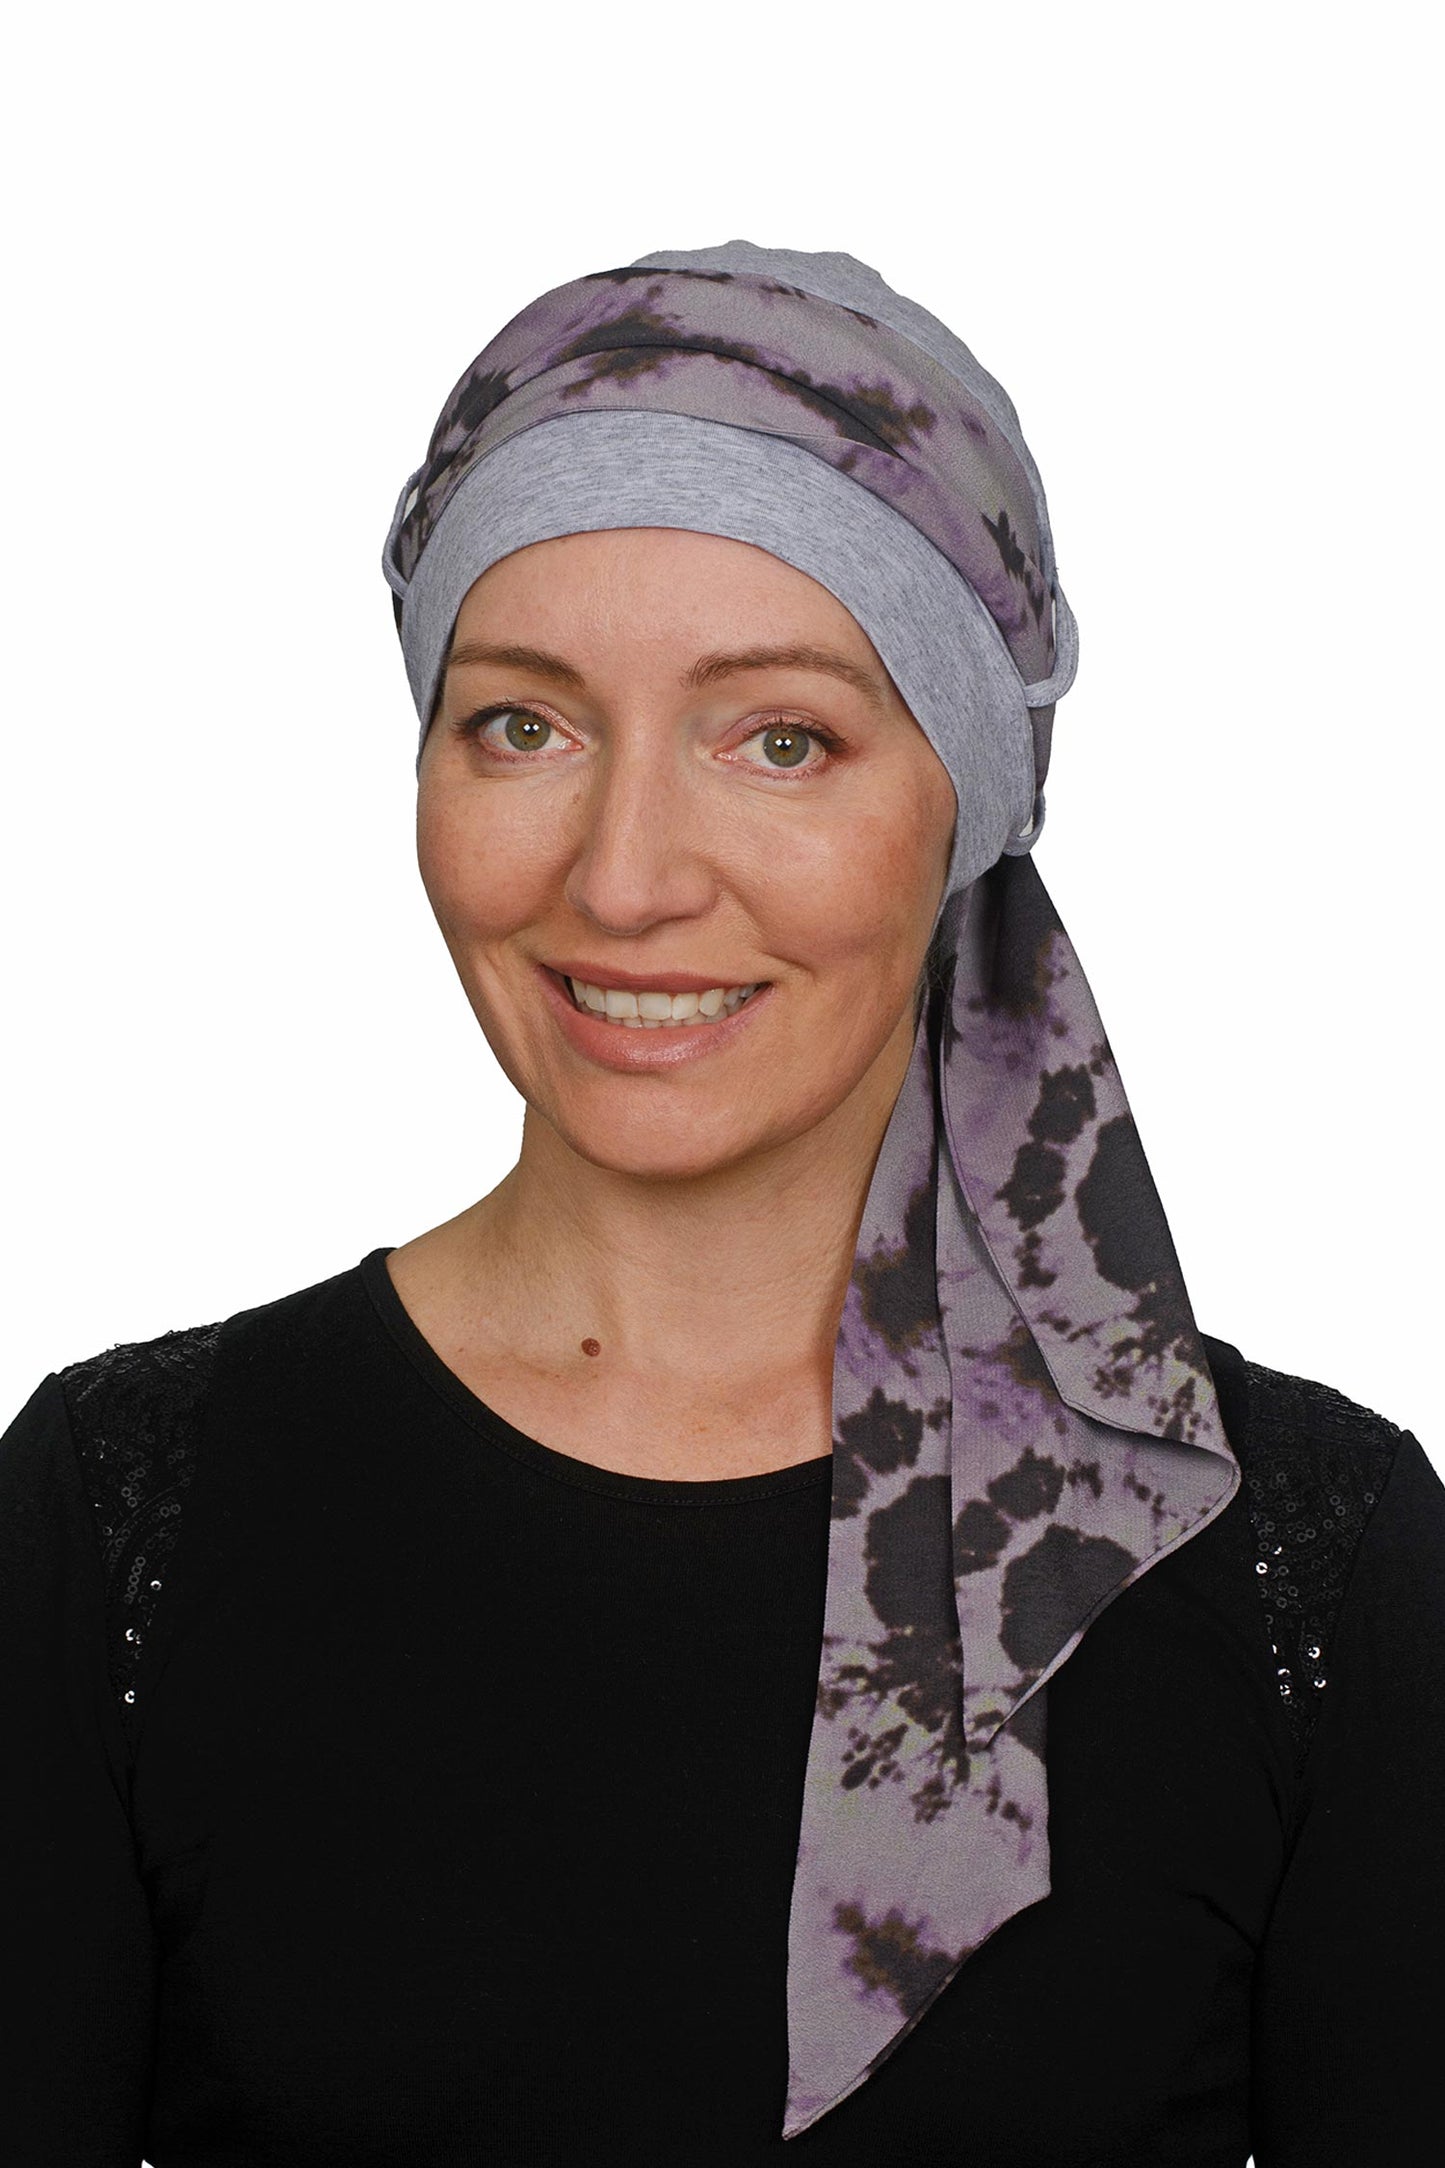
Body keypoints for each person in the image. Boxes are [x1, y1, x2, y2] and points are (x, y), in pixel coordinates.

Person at [2, 240, 1441, 2167]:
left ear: (968, 802)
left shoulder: (1302, 1568)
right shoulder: (121, 1507)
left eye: (781, 738)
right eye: (522, 723)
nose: (623, 880)